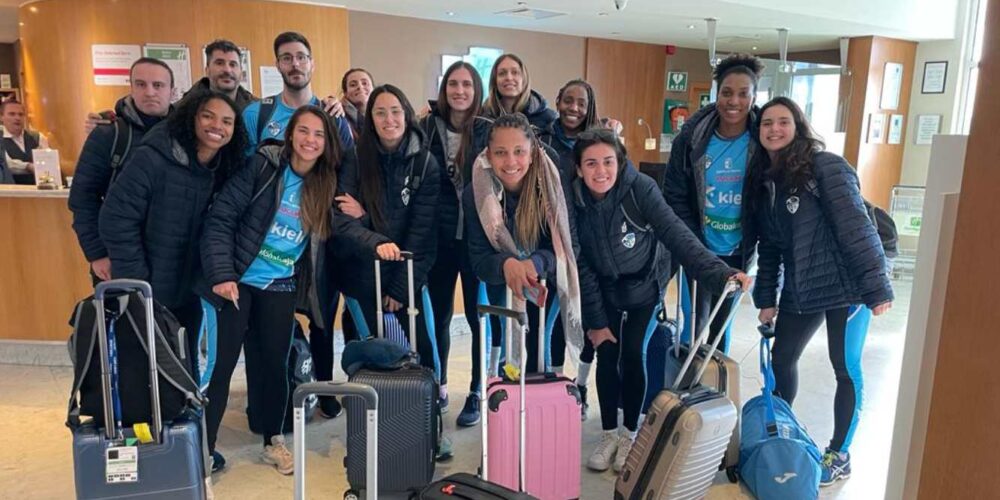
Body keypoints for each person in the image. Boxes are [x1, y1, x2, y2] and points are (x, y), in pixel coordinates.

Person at [571, 127, 751, 472]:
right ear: (578, 168)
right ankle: (609, 433)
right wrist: (595, 321)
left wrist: (719, 273)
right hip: (602, 289)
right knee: (606, 353)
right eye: (590, 163)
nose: (600, 171)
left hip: (644, 287)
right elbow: (580, 263)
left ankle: (629, 433)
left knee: (634, 352)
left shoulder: (640, 189)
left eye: (608, 161)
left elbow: (677, 234)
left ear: (620, 162)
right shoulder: (575, 199)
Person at [750, 97, 894, 486]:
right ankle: (783, 435)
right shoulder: (768, 182)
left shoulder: (826, 167)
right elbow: (771, 247)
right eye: (767, 123)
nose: (774, 129)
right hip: (804, 286)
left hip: (848, 288)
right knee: (782, 360)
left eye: (783, 121)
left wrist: (876, 287)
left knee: (844, 367)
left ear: (799, 126)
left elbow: (856, 227)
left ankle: (840, 454)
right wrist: (766, 299)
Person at [198, 105, 342, 475]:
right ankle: (203, 449)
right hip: (238, 280)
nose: (311, 140)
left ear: (327, 144)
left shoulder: (325, 184)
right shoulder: (263, 167)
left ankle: (273, 441)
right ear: (291, 134)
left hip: (280, 284)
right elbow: (221, 216)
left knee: (275, 365)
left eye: (319, 135)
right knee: (223, 365)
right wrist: (222, 273)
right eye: (304, 131)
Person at [98, 89, 247, 376]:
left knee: (183, 361)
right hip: (147, 286)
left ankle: (182, 415)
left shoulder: (221, 170)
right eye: (208, 116)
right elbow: (116, 217)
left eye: (227, 122)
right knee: (145, 367)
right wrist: (136, 279)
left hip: (186, 289)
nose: (217, 126)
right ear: (191, 118)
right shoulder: (154, 157)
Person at [333, 83, 441, 386]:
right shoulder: (356, 157)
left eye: (395, 111)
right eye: (380, 113)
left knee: (423, 347)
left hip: (408, 274)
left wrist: (398, 290)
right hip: (361, 274)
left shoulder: (423, 163)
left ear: (406, 115)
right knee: (373, 355)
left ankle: (428, 407)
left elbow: (421, 234)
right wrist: (376, 238)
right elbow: (341, 223)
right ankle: (376, 415)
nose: (388, 119)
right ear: (371, 119)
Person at [463, 112, 583, 382]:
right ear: (489, 155)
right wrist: (508, 264)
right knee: (509, 351)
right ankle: (510, 412)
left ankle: (546, 409)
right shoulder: (475, 192)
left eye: (519, 152)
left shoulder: (552, 183)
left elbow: (568, 246)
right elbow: (480, 260)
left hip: (546, 277)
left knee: (541, 345)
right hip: (501, 278)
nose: (511, 162)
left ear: (532, 153)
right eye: (501, 153)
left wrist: (535, 263)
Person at [663, 53, 764, 354]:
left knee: (721, 329)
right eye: (727, 92)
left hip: (738, 252)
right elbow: (675, 196)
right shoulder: (692, 138)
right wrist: (693, 245)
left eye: (743, 93)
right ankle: (684, 393)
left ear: (754, 96)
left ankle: (716, 392)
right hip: (697, 249)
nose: (734, 101)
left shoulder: (763, 141)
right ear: (716, 94)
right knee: (694, 322)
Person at [537, 78, 622, 419]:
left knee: (587, 320)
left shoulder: (601, 141)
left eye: (581, 103)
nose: (574, 108)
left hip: (590, 244)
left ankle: (580, 388)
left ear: (591, 108)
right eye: (568, 100)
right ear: (557, 100)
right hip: (549, 242)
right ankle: (557, 387)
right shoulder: (541, 137)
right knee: (554, 322)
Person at [419, 61, 496, 425]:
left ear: (476, 89)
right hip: (439, 238)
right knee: (440, 316)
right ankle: (440, 384)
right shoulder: (425, 127)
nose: (460, 91)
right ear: (444, 88)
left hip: (478, 239)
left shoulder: (487, 130)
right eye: (453, 84)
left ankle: (478, 390)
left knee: (478, 317)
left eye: (467, 84)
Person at [70, 57, 174, 283]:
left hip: (170, 261)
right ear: (131, 88)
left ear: (172, 92)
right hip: (118, 258)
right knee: (127, 318)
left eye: (158, 85)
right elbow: (83, 197)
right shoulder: (109, 134)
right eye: (141, 84)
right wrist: (97, 253)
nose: (149, 92)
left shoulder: (183, 136)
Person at [242, 31, 354, 153]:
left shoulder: (332, 114)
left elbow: (348, 166)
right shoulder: (254, 114)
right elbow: (246, 169)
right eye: (286, 58)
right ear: (278, 66)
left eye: (301, 57)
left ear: (312, 64)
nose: (295, 64)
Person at [481, 54, 558, 133]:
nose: (509, 78)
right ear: (495, 81)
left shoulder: (549, 119)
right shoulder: (482, 118)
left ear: (524, 79)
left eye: (515, 72)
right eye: (502, 73)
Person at [178, 39, 258, 111]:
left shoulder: (259, 111)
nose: (227, 70)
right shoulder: (182, 109)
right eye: (219, 63)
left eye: (233, 64)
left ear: (241, 72)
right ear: (207, 70)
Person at [0, 100, 50, 185]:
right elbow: (7, 163)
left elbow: (48, 160)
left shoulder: (37, 137)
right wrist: (28, 166)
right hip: (12, 191)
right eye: (12, 114)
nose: (17, 118)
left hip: (39, 189)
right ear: (1, 117)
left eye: (21, 114)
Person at [341, 67, 373, 140]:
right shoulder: (339, 117)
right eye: (353, 85)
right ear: (345, 93)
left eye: (365, 83)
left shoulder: (381, 115)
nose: (360, 87)